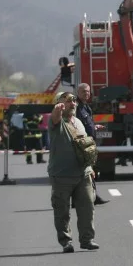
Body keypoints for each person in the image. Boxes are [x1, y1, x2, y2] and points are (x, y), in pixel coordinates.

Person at [48, 92, 99, 253]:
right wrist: (57, 110)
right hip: (62, 175)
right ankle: (66, 241)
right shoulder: (57, 122)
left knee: (87, 208)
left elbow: (84, 148)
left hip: (82, 174)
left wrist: (90, 168)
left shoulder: (78, 122)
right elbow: (55, 117)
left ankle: (87, 239)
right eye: (68, 101)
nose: (73, 103)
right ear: (60, 103)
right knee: (62, 211)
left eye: (73, 101)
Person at [76, 84, 109, 205]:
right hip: (82, 144)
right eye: (84, 91)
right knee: (83, 172)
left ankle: (94, 196)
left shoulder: (86, 107)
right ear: (78, 92)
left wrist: (94, 127)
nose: (86, 94)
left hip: (89, 143)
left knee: (91, 171)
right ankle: (77, 199)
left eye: (88, 92)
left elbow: (86, 123)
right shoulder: (76, 107)